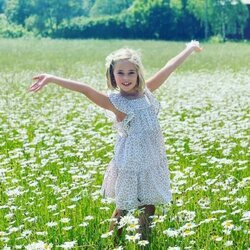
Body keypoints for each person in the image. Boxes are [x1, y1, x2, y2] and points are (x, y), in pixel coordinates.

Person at [28, 41, 202, 244]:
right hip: (128, 164)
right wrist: (51, 78)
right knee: (123, 208)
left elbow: (169, 67)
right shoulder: (114, 101)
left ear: (138, 73)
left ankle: (144, 244)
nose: (126, 78)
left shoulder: (146, 93)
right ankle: (113, 244)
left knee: (149, 206)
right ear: (112, 75)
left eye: (131, 72)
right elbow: (85, 89)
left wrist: (189, 48)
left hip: (151, 161)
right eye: (120, 73)